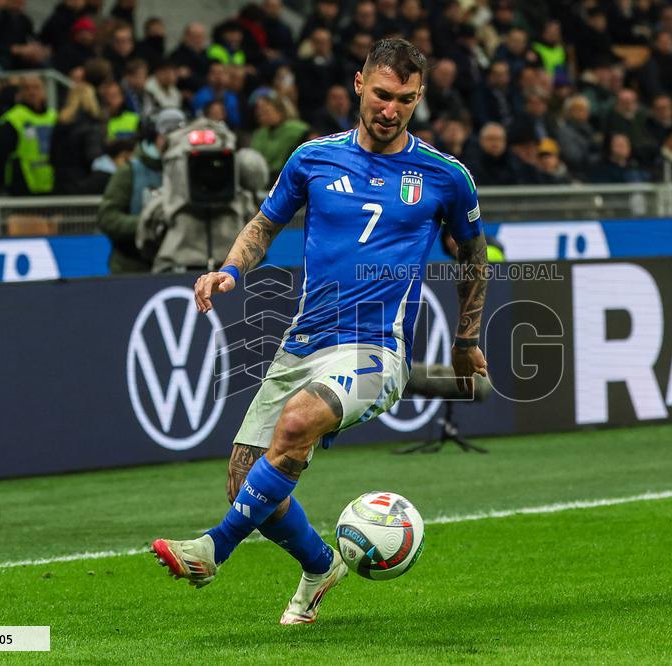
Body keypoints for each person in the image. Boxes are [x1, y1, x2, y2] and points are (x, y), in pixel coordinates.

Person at [150, 38, 488, 625]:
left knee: (298, 424)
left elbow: (474, 257)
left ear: (419, 98)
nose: (391, 110)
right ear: (359, 85)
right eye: (382, 95)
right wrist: (229, 271)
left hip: (376, 349)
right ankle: (319, 563)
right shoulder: (313, 158)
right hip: (303, 343)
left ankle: (211, 549)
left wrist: (465, 340)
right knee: (245, 485)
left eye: (405, 100)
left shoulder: (445, 176)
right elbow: (264, 222)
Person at [97, 108, 185, 273]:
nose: (174, 142)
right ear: (153, 136)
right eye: (168, 135)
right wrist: (147, 224)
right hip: (133, 267)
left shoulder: (189, 172)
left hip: (179, 264)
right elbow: (106, 218)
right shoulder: (130, 172)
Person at [0, 76, 58, 195]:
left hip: (52, 182)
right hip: (22, 185)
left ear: (44, 91)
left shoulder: (54, 118)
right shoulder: (12, 119)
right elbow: (0, 156)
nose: (32, 92)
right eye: (26, 88)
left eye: (36, 88)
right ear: (20, 93)